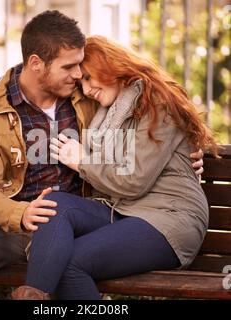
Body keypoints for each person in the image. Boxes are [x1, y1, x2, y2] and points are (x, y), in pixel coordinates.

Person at [0, 10, 203, 300]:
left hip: (82, 216)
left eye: (81, 68)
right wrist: (21, 213)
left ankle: (35, 296)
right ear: (36, 64)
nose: (78, 76)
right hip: (16, 218)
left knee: (64, 247)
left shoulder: (88, 98)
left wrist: (187, 151)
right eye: (69, 68)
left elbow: (139, 130)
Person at [11, 35, 217, 300]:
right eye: (80, 82)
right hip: (124, 211)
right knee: (54, 205)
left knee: (71, 263)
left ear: (108, 65)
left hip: (169, 219)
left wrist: (82, 161)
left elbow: (134, 179)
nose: (85, 90)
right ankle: (35, 296)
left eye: (87, 77)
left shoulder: (159, 104)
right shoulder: (107, 114)